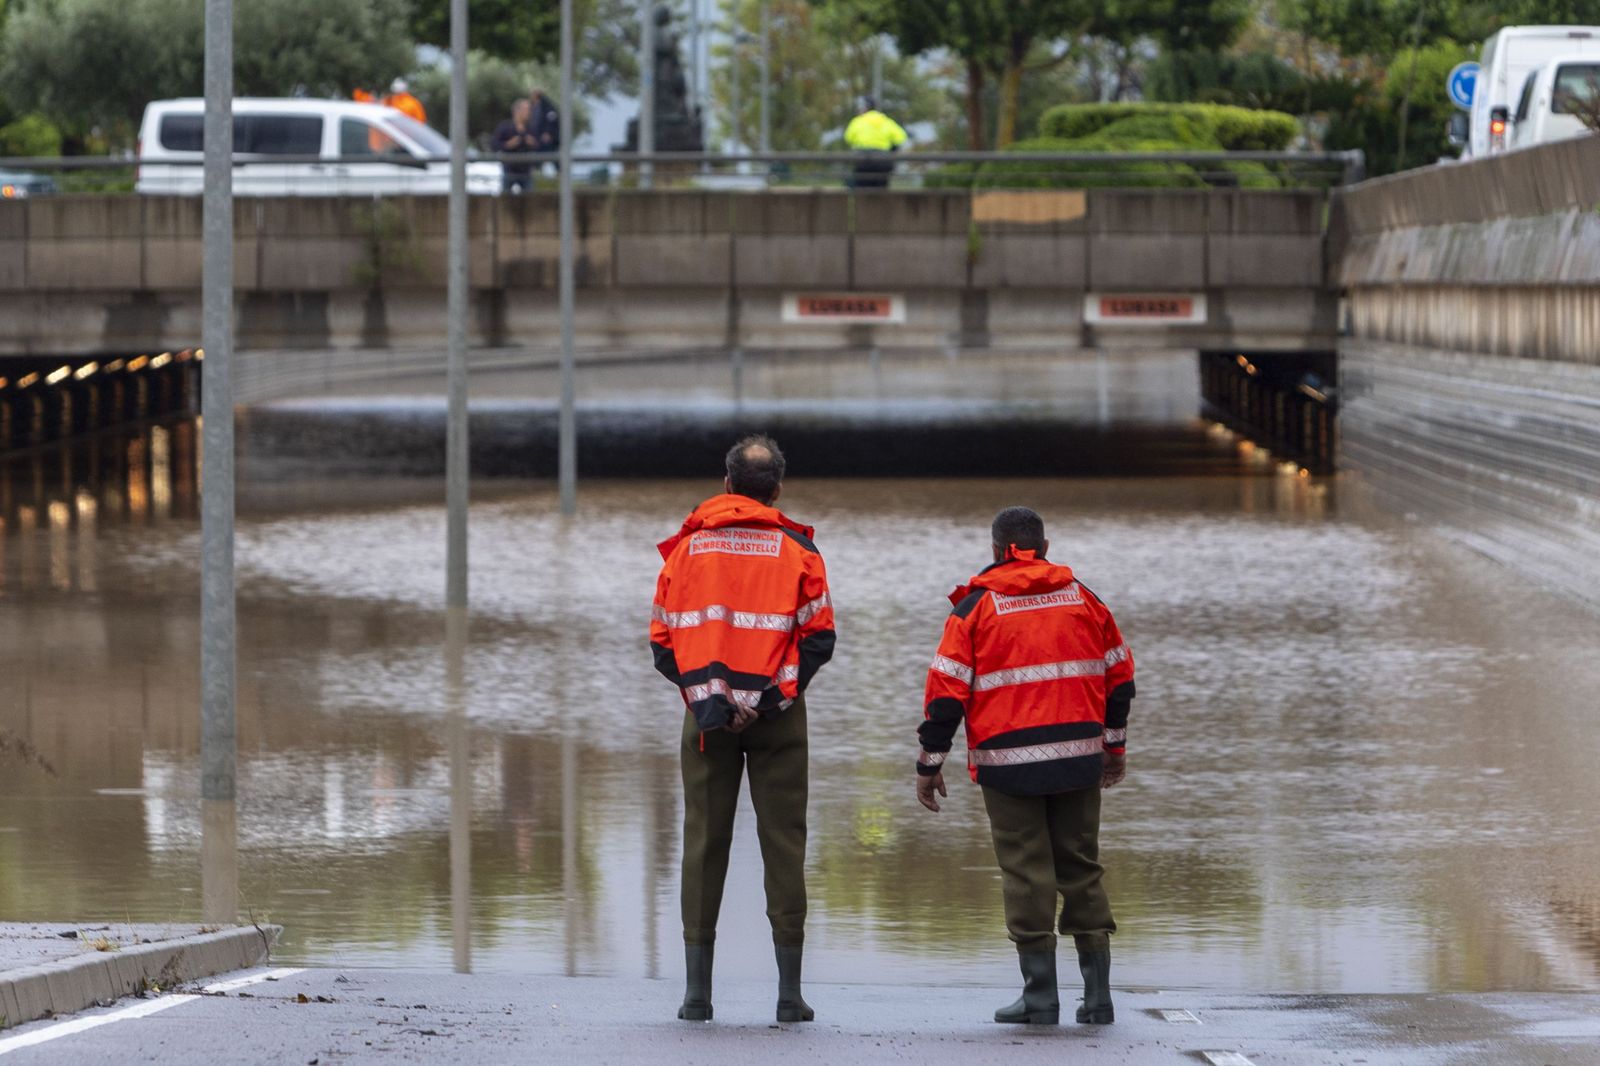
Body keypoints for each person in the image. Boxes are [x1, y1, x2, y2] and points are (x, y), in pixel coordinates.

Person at [914, 506, 1135, 1027]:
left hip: (1008, 765)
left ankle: (1040, 998)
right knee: (1080, 865)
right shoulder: (1084, 599)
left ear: (996, 550)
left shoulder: (975, 609)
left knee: (1026, 871)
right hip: (1079, 760)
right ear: (1046, 545)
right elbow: (1119, 680)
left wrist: (930, 762)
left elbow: (945, 694)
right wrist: (1114, 749)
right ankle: (1098, 997)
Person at [650, 435, 836, 1024]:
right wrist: (771, 699)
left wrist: (713, 702)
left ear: (727, 485)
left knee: (704, 843)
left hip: (706, 722)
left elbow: (663, 642)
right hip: (779, 719)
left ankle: (696, 996)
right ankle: (788, 996)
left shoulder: (687, 550)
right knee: (784, 843)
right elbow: (819, 639)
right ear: (776, 489)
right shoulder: (799, 550)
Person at [843, 97, 907, 189]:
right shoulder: (885, 121)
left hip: (863, 162)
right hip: (882, 161)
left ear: (864, 108)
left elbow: (848, 138)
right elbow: (901, 137)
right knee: (880, 192)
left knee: (862, 190)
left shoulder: (858, 121)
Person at [492, 98, 539, 194]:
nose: (529, 112)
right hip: (509, 171)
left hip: (526, 172)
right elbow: (494, 145)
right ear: (517, 111)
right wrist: (507, 145)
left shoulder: (532, 128)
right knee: (505, 199)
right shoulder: (505, 127)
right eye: (527, 109)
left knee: (530, 199)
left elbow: (541, 146)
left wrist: (533, 143)